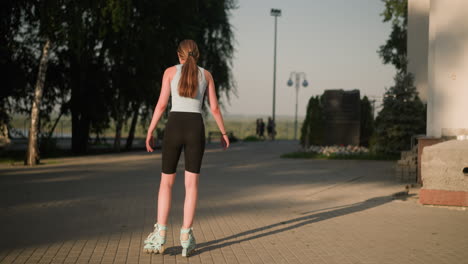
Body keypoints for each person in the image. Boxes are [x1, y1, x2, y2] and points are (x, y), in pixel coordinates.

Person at [144, 39, 230, 257]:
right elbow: (215, 108)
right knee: (191, 185)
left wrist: (150, 130)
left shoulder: (170, 72)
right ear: (197, 55)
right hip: (195, 128)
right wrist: (223, 133)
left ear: (178, 55)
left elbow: (162, 104)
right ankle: (185, 237)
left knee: (166, 183)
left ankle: (160, 235)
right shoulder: (207, 75)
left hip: (173, 126)